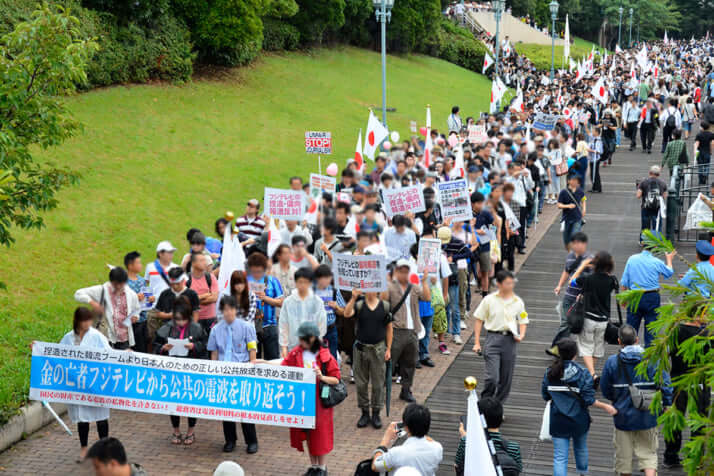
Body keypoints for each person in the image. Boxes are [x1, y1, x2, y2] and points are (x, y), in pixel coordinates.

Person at [600, 325, 673, 476]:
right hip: (648, 414)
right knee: (649, 455)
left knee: (623, 460)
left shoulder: (613, 362)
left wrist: (615, 399)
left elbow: (605, 389)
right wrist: (667, 404)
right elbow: (666, 384)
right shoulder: (652, 359)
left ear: (619, 341)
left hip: (623, 416)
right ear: (637, 340)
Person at [542, 338, 617, 476]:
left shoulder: (550, 372)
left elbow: (545, 395)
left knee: (560, 457)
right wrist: (606, 406)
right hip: (579, 419)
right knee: (581, 448)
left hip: (558, 419)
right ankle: (583, 473)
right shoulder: (583, 373)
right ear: (575, 354)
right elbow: (589, 399)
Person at [50, 308, 111, 463]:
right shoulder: (68, 338)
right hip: (77, 384)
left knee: (101, 417)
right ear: (77, 320)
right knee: (82, 418)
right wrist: (38, 349)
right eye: (84, 320)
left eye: (89, 320)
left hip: (95, 383)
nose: (87, 323)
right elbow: (56, 353)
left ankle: (104, 450)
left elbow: (110, 354)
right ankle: (84, 448)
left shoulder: (97, 336)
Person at [281, 321, 340, 476]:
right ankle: (314, 466)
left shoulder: (326, 356)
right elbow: (283, 367)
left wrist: (322, 377)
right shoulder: (296, 352)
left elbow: (336, 379)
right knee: (307, 433)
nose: (300, 341)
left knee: (320, 434)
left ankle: (322, 467)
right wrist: (263, 363)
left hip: (320, 401)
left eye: (302, 338)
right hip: (303, 401)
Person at [208, 295, 259, 454]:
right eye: (225, 310)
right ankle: (230, 440)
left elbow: (252, 351)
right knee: (227, 409)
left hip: (242, 372)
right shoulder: (216, 330)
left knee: (245, 408)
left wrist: (251, 370)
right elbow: (214, 353)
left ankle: (251, 441)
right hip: (224, 374)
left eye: (231, 309)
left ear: (236, 310)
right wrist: (215, 373)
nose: (228, 312)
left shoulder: (247, 327)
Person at [662, 302, 711, 468]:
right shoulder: (706, 334)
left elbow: (666, 351)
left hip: (677, 379)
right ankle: (695, 456)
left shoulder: (676, 330)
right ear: (698, 315)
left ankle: (671, 456)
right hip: (699, 381)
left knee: (675, 418)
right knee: (699, 419)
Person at [153, 298, 207, 445]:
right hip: (172, 371)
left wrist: (194, 346)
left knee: (191, 401)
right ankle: (176, 430)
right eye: (177, 319)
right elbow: (155, 346)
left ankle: (191, 431)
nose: (180, 323)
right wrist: (163, 348)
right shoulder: (166, 329)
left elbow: (205, 346)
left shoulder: (197, 328)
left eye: (183, 320)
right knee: (173, 401)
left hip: (190, 371)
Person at [472, 270, 528, 404]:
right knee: (492, 377)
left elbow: (523, 320)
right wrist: (477, 342)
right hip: (493, 339)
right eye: (507, 283)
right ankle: (485, 403)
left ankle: (498, 406)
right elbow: (479, 319)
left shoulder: (518, 302)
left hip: (510, 341)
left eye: (512, 283)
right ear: (498, 284)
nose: (510, 286)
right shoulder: (489, 300)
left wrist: (522, 335)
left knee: (506, 378)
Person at [382, 259, 431, 403]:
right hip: (396, 330)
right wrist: (386, 282)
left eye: (406, 271)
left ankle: (406, 389)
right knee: (389, 362)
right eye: (400, 271)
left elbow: (427, 297)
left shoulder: (414, 287)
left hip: (412, 331)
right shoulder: (390, 287)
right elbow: (383, 301)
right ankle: (382, 390)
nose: (403, 274)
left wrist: (425, 281)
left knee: (409, 363)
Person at [344, 289, 393, 429]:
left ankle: (376, 413)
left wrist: (388, 348)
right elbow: (347, 314)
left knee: (378, 383)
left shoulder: (385, 306)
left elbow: (389, 328)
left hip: (378, 350)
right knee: (361, 383)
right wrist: (353, 298)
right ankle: (364, 412)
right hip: (360, 350)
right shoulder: (359, 304)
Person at [568, 251, 618, 385]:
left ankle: (591, 374)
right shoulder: (612, 280)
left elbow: (571, 283)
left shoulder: (588, 279)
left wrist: (582, 266)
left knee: (585, 347)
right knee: (597, 348)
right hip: (603, 320)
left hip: (588, 318)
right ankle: (591, 375)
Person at [621, 235, 675, 347]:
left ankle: (628, 355)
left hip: (634, 296)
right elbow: (669, 272)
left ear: (642, 243)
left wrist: (624, 298)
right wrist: (669, 260)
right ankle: (649, 359)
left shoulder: (632, 259)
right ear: (655, 246)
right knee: (651, 331)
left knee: (630, 329)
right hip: (652, 296)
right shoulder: (656, 262)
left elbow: (625, 282)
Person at [74, 267, 140, 350]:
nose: (119, 286)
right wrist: (92, 303)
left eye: (121, 284)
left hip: (124, 338)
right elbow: (78, 294)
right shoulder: (102, 290)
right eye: (116, 284)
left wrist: (136, 317)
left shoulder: (131, 294)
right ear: (111, 281)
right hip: (105, 337)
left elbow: (136, 310)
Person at [454, 396, 522, 476]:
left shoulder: (467, 443)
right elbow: (518, 471)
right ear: (501, 418)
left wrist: (466, 439)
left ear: (478, 420)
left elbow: (457, 467)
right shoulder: (513, 447)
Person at [372, 404, 443, 476]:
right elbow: (430, 441)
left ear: (406, 427)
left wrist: (386, 439)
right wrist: (420, 429)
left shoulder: (396, 453)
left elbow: (375, 466)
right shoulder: (437, 448)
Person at [279, 267, 327, 358]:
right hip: (292, 346)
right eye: (300, 282)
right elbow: (283, 325)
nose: (303, 285)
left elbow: (321, 324)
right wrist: (284, 347)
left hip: (312, 347)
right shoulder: (288, 302)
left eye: (306, 282)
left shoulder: (317, 302)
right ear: (295, 282)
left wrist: (317, 342)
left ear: (310, 283)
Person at [553, 232, 592, 344]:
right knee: (565, 322)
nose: (575, 246)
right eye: (574, 243)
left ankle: (574, 346)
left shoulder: (590, 259)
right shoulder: (570, 256)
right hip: (569, 295)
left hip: (582, 298)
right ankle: (558, 346)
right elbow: (567, 271)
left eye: (578, 243)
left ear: (584, 244)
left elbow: (592, 279)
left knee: (581, 323)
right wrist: (559, 285)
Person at [246, 252, 284, 360]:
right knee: (253, 360)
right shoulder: (245, 281)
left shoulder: (272, 281)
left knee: (272, 360)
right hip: (251, 328)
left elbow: (281, 302)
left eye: (259, 271)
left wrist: (265, 298)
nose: (256, 274)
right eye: (253, 271)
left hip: (270, 326)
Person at [124, 251, 151, 353]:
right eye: (138, 263)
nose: (141, 265)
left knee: (142, 347)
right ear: (130, 265)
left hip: (142, 319)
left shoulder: (142, 280)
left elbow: (146, 297)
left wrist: (150, 298)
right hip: (129, 321)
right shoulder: (123, 281)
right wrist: (135, 297)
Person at [187, 253, 219, 333]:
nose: (204, 263)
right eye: (201, 260)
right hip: (194, 319)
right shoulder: (187, 279)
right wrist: (204, 295)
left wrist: (195, 299)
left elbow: (214, 298)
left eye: (204, 260)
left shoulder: (211, 277)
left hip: (210, 319)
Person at [471, 191, 495, 298]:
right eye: (478, 203)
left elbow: (493, 226)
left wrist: (486, 232)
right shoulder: (468, 215)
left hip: (485, 246)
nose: (481, 205)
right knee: (474, 271)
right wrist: (476, 231)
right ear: (472, 203)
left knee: (485, 271)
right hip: (471, 246)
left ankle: (485, 294)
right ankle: (477, 285)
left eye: (482, 203)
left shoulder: (486, 213)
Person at [144, 240, 180, 307]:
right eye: (169, 252)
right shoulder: (150, 267)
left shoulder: (176, 268)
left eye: (172, 252)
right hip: (153, 307)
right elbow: (144, 284)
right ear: (160, 254)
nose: (171, 255)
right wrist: (148, 297)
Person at [556, 174, 586, 250]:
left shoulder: (579, 190)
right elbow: (559, 205)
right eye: (573, 180)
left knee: (575, 237)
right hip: (566, 219)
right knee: (566, 240)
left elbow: (583, 199)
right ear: (568, 181)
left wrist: (584, 209)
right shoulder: (563, 192)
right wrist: (567, 206)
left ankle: (574, 256)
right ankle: (570, 254)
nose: (575, 182)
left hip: (577, 218)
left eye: (577, 181)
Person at [637, 166, 667, 238]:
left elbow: (638, 196)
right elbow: (664, 197)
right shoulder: (663, 183)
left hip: (645, 207)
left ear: (649, 173)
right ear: (659, 174)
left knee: (645, 226)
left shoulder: (643, 182)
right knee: (656, 226)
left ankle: (643, 241)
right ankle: (656, 241)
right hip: (657, 208)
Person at [694, 121, 714, 185]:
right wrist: (711, 151)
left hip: (700, 153)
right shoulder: (711, 134)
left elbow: (697, 144)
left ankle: (701, 180)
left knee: (700, 166)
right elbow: (712, 143)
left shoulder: (699, 135)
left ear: (702, 127)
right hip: (707, 152)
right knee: (707, 165)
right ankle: (705, 175)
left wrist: (695, 151)